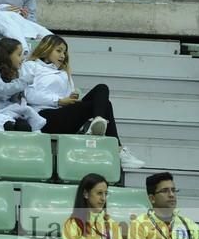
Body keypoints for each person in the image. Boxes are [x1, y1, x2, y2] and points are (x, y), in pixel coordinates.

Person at [23, 35, 144, 169]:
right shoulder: (30, 66)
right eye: (59, 51)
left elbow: (67, 98)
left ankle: (98, 122)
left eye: (64, 52)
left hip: (63, 114)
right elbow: (28, 94)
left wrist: (72, 99)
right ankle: (117, 149)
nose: (63, 55)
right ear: (46, 49)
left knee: (102, 89)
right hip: (43, 116)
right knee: (105, 105)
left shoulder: (64, 73)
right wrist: (59, 101)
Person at [128, 172, 199, 239]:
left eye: (173, 190)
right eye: (165, 191)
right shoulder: (139, 224)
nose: (171, 195)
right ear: (152, 198)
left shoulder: (190, 225)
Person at [62, 173, 124, 239]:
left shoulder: (112, 224)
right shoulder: (72, 224)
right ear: (86, 194)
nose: (103, 198)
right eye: (99, 193)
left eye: (106, 193)